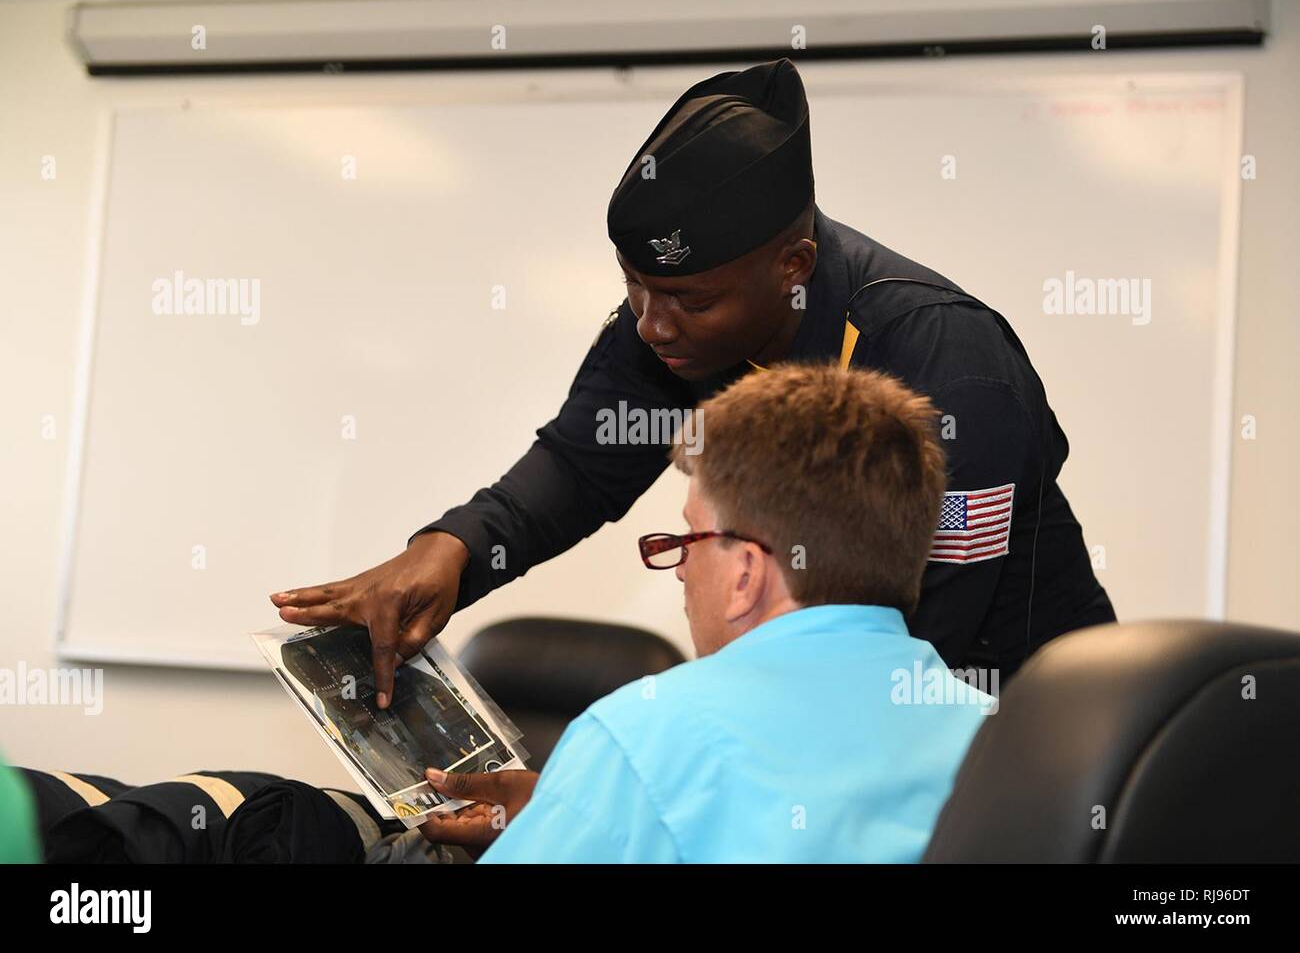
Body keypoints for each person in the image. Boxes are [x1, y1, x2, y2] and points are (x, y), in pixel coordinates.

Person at [270, 57, 1113, 706]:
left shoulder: (947, 362)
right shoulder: (675, 335)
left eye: (688, 299)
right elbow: (577, 464)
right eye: (633, 285)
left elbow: (917, 656)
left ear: (794, 266)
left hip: (1013, 734)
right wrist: (447, 553)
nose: (651, 323)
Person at [418, 364, 995, 862]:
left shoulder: (643, 738)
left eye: (690, 537)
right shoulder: (1003, 739)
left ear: (746, 573)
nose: (679, 568)